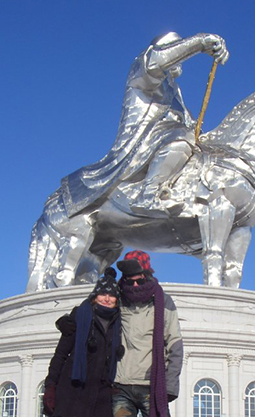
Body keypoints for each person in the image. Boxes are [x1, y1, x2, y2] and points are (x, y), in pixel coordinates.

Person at [61, 32, 229, 217]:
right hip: (142, 146)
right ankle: (149, 195)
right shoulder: (143, 68)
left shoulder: (174, 90)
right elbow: (157, 61)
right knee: (183, 137)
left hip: (161, 144)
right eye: (176, 47)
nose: (180, 57)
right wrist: (199, 43)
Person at [43, 267, 123, 417]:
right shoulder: (79, 316)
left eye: (111, 296)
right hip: (72, 391)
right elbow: (61, 354)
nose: (106, 299)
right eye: (102, 294)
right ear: (94, 296)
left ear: (117, 300)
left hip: (101, 396)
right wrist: (51, 385)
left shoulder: (120, 323)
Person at [112, 250, 183, 417]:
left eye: (139, 280)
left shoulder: (164, 301)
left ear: (148, 275)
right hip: (121, 384)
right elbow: (95, 305)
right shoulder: (117, 299)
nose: (135, 286)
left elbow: (175, 344)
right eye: (130, 282)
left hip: (151, 385)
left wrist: (170, 385)